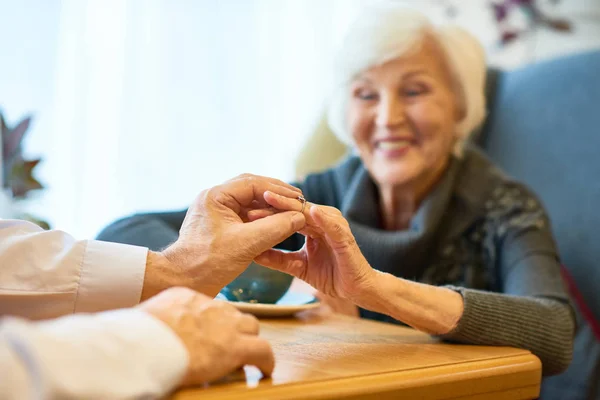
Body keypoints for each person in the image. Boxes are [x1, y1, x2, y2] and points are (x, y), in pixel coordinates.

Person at [97, 6, 575, 376]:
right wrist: (232, 264)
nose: (387, 118)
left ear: (460, 108)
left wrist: (371, 289)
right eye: (366, 95)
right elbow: (123, 230)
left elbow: (554, 333)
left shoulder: (504, 207)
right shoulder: (319, 194)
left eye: (414, 91)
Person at [0, 174, 307, 399]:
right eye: (357, 93)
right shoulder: (321, 185)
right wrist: (174, 280)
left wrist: (176, 274)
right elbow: (125, 227)